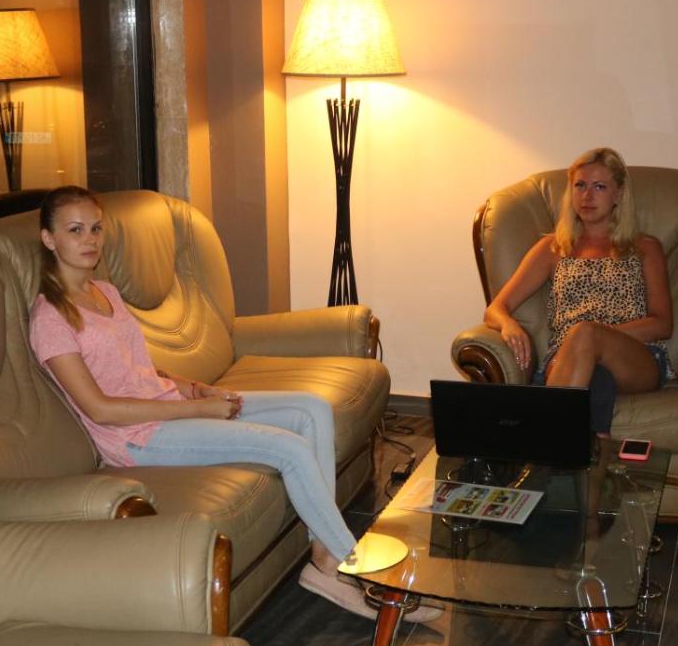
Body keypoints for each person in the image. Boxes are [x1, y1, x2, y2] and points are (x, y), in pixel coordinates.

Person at [27, 186, 408, 619]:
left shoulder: (105, 293)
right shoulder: (51, 318)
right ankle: (353, 568)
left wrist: (193, 388)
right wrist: (197, 410)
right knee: (289, 448)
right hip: (136, 437)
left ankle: (323, 552)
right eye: (75, 230)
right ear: (48, 239)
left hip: (168, 405)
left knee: (312, 409)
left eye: (96, 229)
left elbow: (138, 369)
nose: (90, 240)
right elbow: (100, 409)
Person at [483, 147, 674, 433]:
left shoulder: (644, 247)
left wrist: (597, 337)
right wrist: (508, 324)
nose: (587, 196)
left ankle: (538, 438)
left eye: (599, 187)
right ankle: (593, 451)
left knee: (585, 333)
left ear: (619, 194)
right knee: (598, 382)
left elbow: (662, 324)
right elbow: (496, 309)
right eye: (580, 185)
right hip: (566, 356)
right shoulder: (553, 248)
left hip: (635, 358)